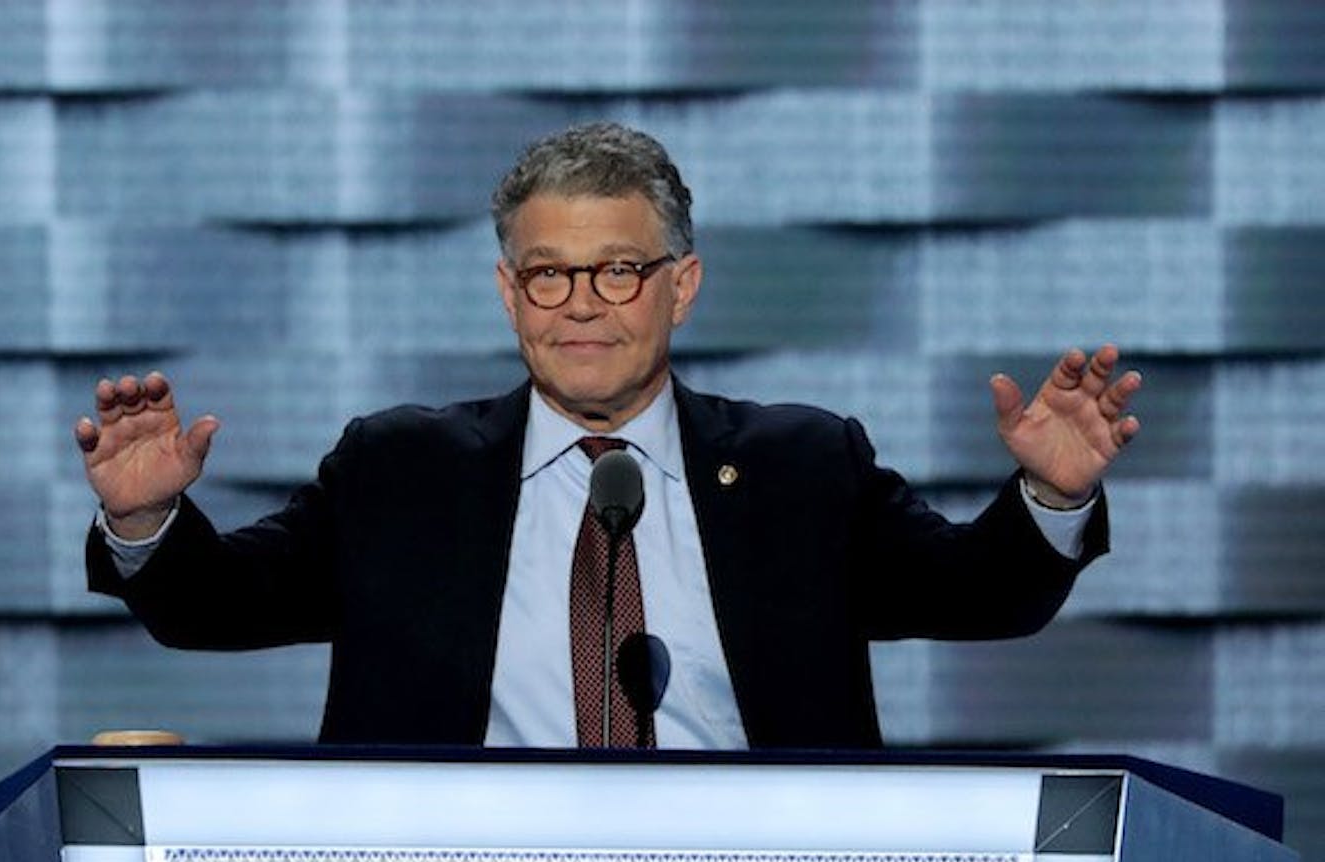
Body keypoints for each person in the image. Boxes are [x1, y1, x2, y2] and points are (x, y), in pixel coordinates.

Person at [77, 122, 1141, 750]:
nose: (580, 303)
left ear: (681, 286)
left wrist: (1047, 499)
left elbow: (975, 596)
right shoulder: (398, 470)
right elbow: (212, 607)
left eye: (617, 269)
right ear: (509, 293)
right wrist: (145, 517)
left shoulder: (802, 468)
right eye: (548, 272)